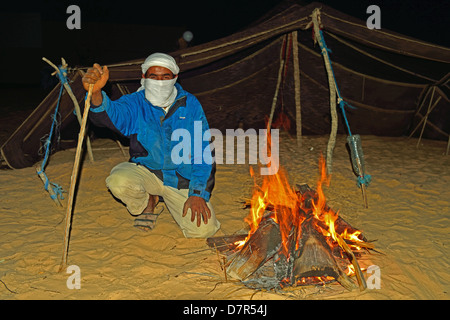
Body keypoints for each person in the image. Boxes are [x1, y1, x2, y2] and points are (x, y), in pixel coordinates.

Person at [82, 53, 220, 238]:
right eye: (153, 76)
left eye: (165, 76)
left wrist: (197, 193)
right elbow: (112, 115)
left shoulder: (190, 104)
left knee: (204, 231)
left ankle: (165, 196)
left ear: (175, 78)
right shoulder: (136, 102)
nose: (159, 81)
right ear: (144, 78)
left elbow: (202, 151)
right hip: (148, 172)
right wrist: (97, 93)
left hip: (180, 179)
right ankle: (149, 200)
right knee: (118, 181)